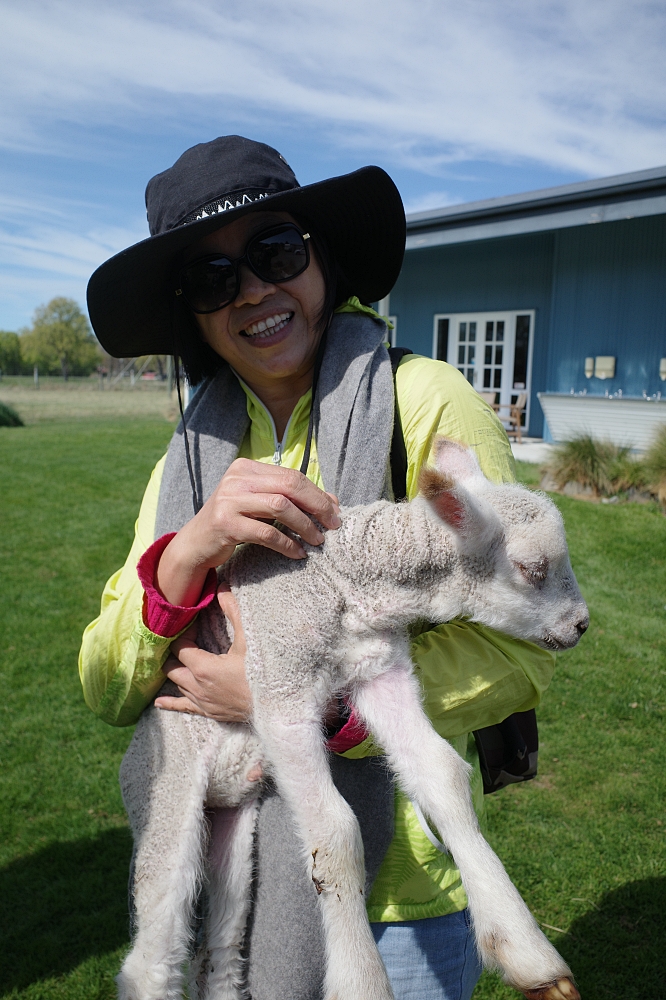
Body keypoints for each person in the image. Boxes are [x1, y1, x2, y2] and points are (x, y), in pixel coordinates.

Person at [80, 135, 556, 1000]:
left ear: (321, 257)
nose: (255, 290)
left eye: (274, 252)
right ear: (193, 315)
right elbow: (108, 689)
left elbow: (520, 653)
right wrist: (189, 551)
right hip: (240, 878)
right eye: (212, 278)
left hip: (400, 895)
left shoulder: (425, 403)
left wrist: (308, 705)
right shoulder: (186, 462)